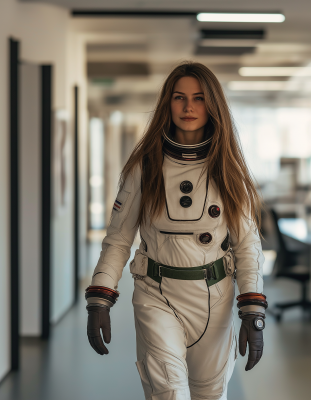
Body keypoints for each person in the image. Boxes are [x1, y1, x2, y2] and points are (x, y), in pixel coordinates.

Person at [85, 61, 267, 400]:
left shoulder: (228, 169)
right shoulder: (145, 166)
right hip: (157, 295)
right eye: (179, 97)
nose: (188, 107)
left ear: (213, 105)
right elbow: (119, 238)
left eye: (199, 98)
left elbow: (247, 245)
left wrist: (253, 311)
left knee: (209, 394)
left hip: (214, 299)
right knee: (168, 393)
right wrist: (100, 296)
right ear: (167, 103)